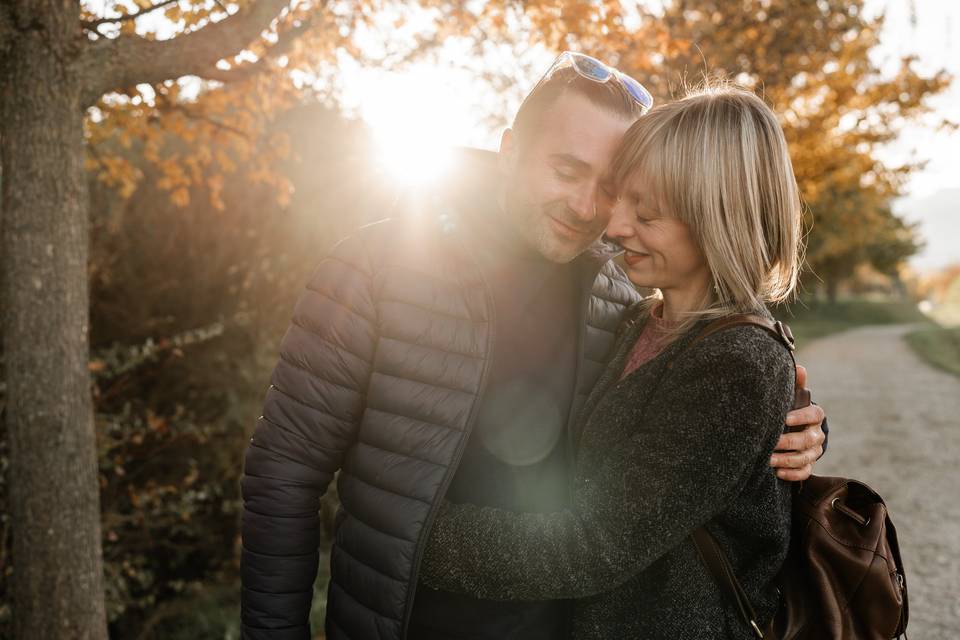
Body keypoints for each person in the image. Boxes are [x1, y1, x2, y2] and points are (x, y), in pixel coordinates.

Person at [239, 53, 828, 640]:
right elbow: (283, 477)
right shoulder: (372, 269)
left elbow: (694, 412)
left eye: (611, 189)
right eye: (566, 171)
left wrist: (791, 427)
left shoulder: (619, 290)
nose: (587, 209)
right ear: (509, 148)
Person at [418, 84, 813, 639]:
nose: (614, 226)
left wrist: (415, 534)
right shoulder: (640, 321)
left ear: (717, 221)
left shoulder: (739, 363)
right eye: (620, 199)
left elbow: (596, 545)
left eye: (646, 215)